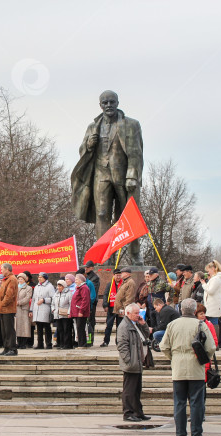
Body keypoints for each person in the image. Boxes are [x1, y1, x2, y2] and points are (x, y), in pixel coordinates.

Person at [71, 90, 144, 262]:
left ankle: (135, 254)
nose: (109, 105)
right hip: (101, 175)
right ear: (100, 105)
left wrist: (132, 175)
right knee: (102, 214)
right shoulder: (93, 126)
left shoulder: (131, 124)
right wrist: (89, 145)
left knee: (129, 216)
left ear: (117, 103)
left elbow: (136, 152)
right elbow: (83, 151)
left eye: (112, 102)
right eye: (105, 103)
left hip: (124, 176)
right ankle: (105, 256)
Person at [160, 298, 216, 436]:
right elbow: (211, 347)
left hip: (178, 368)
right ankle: (196, 435)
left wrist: (173, 357)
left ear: (181, 310)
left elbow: (163, 346)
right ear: (194, 311)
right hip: (196, 368)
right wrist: (204, 359)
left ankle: (180, 435)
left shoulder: (172, 324)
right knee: (197, 402)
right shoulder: (200, 324)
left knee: (179, 402)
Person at [117, 303, 152, 422]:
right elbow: (122, 346)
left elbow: (146, 335)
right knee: (129, 390)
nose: (138, 315)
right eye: (136, 313)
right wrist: (129, 361)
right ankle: (128, 413)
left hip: (137, 362)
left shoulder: (135, 324)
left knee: (137, 389)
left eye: (139, 313)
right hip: (131, 363)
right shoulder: (124, 326)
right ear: (128, 313)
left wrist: (143, 324)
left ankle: (138, 412)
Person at [195, 303, 219, 409]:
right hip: (194, 360)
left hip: (204, 359)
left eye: (204, 313)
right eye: (201, 313)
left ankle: (201, 409)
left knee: (202, 387)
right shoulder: (192, 325)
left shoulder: (209, 325)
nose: (203, 315)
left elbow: (214, 341)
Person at [203, 260, 221, 347]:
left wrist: (204, 284)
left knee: (214, 324)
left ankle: (215, 343)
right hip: (211, 305)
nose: (208, 272)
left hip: (213, 306)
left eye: (208, 270)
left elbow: (211, 291)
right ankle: (212, 343)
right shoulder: (214, 279)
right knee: (211, 323)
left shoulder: (216, 279)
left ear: (213, 269)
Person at [0, 263, 18, 356]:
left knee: (9, 330)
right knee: (4, 330)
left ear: (7, 269)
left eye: (2, 269)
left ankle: (12, 349)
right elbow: (1, 295)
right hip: (3, 309)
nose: (1, 271)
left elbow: (9, 296)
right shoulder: (5, 280)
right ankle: (6, 348)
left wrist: (1, 304)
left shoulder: (12, 279)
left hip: (8, 309)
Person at [30, 272, 55, 349]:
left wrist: (44, 300)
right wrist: (31, 310)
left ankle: (48, 344)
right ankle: (40, 344)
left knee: (47, 327)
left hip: (45, 309)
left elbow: (53, 298)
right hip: (37, 309)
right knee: (39, 328)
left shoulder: (49, 286)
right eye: (38, 277)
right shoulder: (37, 286)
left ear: (45, 278)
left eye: (41, 277)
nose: (39, 278)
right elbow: (33, 299)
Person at [100, 270, 123, 347]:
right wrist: (105, 305)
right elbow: (106, 295)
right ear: (113, 275)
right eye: (117, 275)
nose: (118, 277)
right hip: (111, 308)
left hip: (120, 308)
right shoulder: (110, 284)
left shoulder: (123, 284)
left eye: (120, 275)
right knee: (109, 325)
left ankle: (119, 341)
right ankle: (106, 341)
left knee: (119, 326)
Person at [70, 273, 91, 348]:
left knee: (81, 328)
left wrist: (81, 311)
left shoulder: (84, 288)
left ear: (81, 280)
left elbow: (85, 300)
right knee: (79, 328)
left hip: (80, 312)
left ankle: (82, 344)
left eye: (76, 279)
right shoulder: (79, 288)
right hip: (77, 311)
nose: (75, 281)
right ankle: (81, 344)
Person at [51, 279, 73, 349]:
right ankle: (61, 344)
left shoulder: (68, 293)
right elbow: (53, 303)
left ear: (64, 286)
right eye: (58, 286)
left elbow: (71, 304)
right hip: (57, 314)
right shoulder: (56, 294)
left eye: (60, 286)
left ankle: (67, 344)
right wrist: (53, 309)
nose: (59, 287)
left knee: (66, 329)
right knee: (60, 329)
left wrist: (69, 312)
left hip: (65, 314)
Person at [15, 273, 33, 349]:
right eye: (19, 279)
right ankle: (18, 342)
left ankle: (23, 343)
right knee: (18, 327)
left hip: (24, 309)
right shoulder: (15, 287)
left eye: (21, 279)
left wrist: (19, 302)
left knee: (24, 327)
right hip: (16, 309)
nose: (20, 280)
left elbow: (27, 298)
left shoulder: (28, 288)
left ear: (25, 279)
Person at [84, 261, 101, 341]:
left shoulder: (95, 278)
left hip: (91, 302)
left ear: (92, 268)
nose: (86, 268)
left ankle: (90, 339)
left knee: (90, 321)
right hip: (85, 302)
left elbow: (92, 291)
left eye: (87, 267)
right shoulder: (85, 276)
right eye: (85, 267)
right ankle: (86, 338)